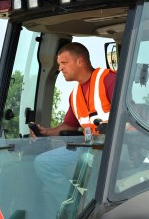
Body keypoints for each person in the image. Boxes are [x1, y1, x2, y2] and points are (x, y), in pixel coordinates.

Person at [30, 42, 116, 219]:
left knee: (86, 159)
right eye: (59, 64)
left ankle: (80, 204)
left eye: (64, 63)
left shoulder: (109, 80)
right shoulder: (75, 95)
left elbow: (129, 116)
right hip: (89, 148)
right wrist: (44, 132)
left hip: (114, 149)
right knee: (43, 162)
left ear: (80, 61)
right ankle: (73, 203)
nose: (60, 68)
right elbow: (68, 125)